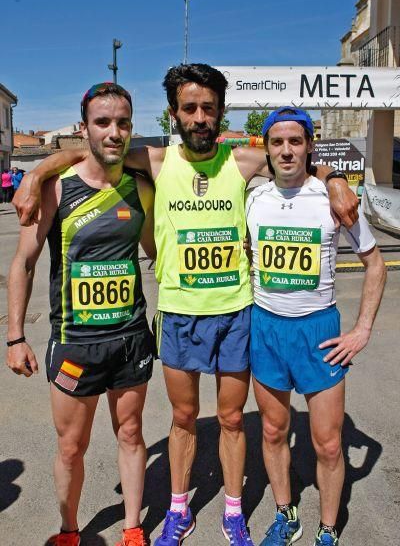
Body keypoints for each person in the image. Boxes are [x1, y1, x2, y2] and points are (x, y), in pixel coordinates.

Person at [12, 64, 359, 546]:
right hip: (177, 313)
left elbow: (295, 159)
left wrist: (335, 176)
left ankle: (234, 511)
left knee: (234, 420)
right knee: (182, 418)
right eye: (190, 108)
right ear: (174, 114)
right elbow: (90, 149)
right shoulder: (155, 160)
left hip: (235, 311)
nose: (199, 117)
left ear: (220, 113)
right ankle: (178, 509)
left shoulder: (242, 161)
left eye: (209, 109)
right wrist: (38, 172)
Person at [7, 82, 156, 546]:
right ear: (84, 127)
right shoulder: (56, 188)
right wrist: (15, 336)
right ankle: (69, 531)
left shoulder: (141, 188)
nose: (114, 132)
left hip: (131, 337)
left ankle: (133, 528)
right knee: (71, 447)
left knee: (130, 433)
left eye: (123, 122)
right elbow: (24, 262)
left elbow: (158, 252)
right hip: (75, 343)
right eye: (103, 122)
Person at [245, 107, 386, 546]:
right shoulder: (254, 199)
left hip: (317, 330)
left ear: (309, 146)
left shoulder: (334, 199)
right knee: (272, 431)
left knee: (327, 444)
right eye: (277, 142)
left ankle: (327, 530)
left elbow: (375, 265)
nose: (286, 150)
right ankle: (286, 516)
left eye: (295, 141)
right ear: (267, 148)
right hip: (266, 328)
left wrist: (362, 330)